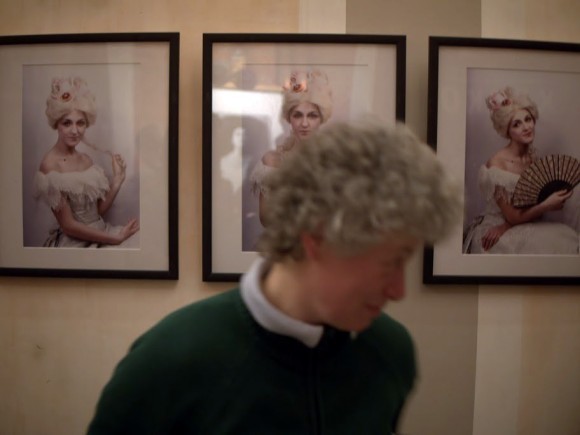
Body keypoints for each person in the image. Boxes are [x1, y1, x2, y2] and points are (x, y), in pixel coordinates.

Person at [87, 120, 463, 435]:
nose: (398, 291)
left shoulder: (389, 353)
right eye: (389, 263)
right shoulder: (169, 361)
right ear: (317, 236)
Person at [463, 87, 578, 254]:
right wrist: (546, 205)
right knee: (558, 243)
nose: (526, 127)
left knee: (568, 237)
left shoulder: (533, 159)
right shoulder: (497, 165)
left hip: (521, 223)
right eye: (516, 124)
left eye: (528, 119)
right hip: (496, 230)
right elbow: (513, 216)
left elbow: (532, 207)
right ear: (507, 131)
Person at [33, 76, 139, 247]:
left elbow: (96, 212)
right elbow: (68, 226)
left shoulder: (86, 160)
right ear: (57, 124)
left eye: (80, 123)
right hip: (75, 243)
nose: (75, 131)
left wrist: (118, 180)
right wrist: (116, 239)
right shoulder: (50, 165)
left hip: (100, 231)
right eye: (67, 123)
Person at [250, 69, 333, 225]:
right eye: (298, 115)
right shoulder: (272, 162)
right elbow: (266, 219)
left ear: (321, 119)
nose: (304, 123)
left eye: (312, 116)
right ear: (289, 118)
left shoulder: (333, 162)